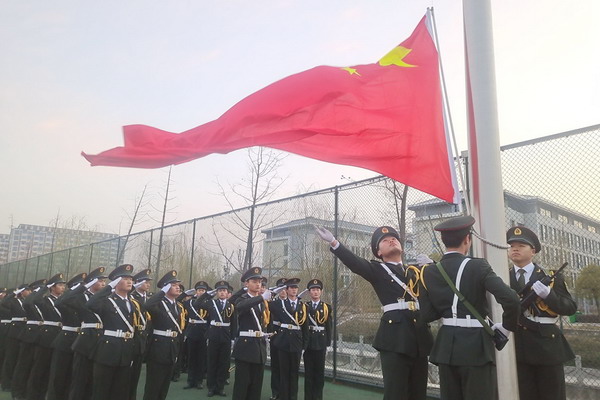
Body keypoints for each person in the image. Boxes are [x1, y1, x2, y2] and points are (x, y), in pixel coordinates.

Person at [316, 225, 432, 400]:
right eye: (385, 240)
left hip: (419, 337)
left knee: (418, 394)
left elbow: (440, 291)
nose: (391, 240)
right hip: (395, 339)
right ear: (379, 252)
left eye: (394, 238)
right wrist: (333, 242)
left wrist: (433, 268)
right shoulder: (377, 270)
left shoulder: (415, 271)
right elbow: (354, 262)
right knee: (396, 394)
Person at [417, 216, 520, 400]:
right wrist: (505, 328)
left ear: (443, 241)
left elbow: (427, 314)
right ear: (467, 239)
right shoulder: (478, 266)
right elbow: (511, 299)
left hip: (446, 348)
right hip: (476, 347)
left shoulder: (429, 271)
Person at [506, 226, 577, 400]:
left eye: (521, 245)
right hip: (517, 347)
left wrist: (549, 295)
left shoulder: (551, 277)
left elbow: (570, 307)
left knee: (552, 394)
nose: (515, 249)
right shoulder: (502, 277)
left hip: (547, 346)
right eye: (512, 246)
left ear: (533, 251)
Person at [87, 264, 139, 400]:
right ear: (116, 282)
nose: (129, 281)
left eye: (130, 279)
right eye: (125, 279)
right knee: (101, 391)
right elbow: (90, 304)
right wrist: (109, 287)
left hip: (126, 350)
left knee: (120, 392)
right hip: (108, 350)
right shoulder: (107, 301)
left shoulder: (132, 303)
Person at [142, 270, 186, 400]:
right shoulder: (159, 303)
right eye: (173, 285)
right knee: (153, 386)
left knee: (164, 386)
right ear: (166, 287)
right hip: (158, 348)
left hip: (172, 348)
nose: (178, 287)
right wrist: (162, 292)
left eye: (178, 284)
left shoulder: (178, 306)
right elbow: (147, 305)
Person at [64, 266, 107, 400]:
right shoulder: (80, 297)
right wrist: (83, 286)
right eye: (100, 281)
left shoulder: (105, 298)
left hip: (101, 339)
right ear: (92, 282)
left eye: (104, 281)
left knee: (95, 379)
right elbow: (64, 300)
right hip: (86, 339)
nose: (103, 284)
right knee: (80, 378)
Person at [231, 267, 270, 400]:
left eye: (259, 281)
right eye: (254, 281)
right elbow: (241, 306)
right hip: (245, 348)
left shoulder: (262, 302)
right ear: (246, 283)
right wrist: (261, 298)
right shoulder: (241, 299)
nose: (258, 284)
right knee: (242, 386)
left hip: (259, 348)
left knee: (256, 387)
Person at [47, 272, 87, 400]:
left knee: (72, 375)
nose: (62, 287)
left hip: (79, 339)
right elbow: (59, 303)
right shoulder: (64, 300)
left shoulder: (82, 300)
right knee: (59, 375)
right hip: (65, 339)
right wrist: (77, 289)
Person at [27, 272, 67, 400]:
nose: (63, 287)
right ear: (52, 287)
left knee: (53, 369)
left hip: (60, 334)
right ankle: (33, 395)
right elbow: (34, 300)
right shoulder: (45, 300)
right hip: (47, 335)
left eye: (63, 285)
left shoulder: (63, 300)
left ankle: (46, 394)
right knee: (40, 367)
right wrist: (45, 287)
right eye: (59, 285)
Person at [269, 277, 308, 400]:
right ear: (286, 289)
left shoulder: (302, 306)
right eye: (291, 288)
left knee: (294, 373)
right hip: (283, 341)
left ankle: (293, 397)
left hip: (296, 342)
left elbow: (305, 327)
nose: (294, 290)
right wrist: (274, 291)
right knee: (284, 372)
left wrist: (304, 345)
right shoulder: (280, 304)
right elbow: (267, 302)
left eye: (296, 287)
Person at [196, 280, 235, 397]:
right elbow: (198, 303)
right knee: (212, 362)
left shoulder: (231, 306)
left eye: (224, 290)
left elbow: (234, 323)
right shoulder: (211, 303)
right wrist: (208, 294)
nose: (222, 293)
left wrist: (233, 338)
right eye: (220, 291)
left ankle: (220, 387)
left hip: (226, 336)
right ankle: (211, 387)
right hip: (213, 335)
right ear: (216, 292)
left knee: (223, 363)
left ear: (227, 293)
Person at [11, 279, 46, 400]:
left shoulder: (42, 302)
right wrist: (36, 292)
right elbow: (27, 303)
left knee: (34, 366)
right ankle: (18, 391)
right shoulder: (28, 302)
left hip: (40, 335)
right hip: (29, 335)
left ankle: (30, 392)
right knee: (24, 365)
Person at [303, 279, 332, 400]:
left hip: (321, 343)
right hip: (308, 343)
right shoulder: (305, 306)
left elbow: (329, 326)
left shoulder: (326, 307)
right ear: (309, 292)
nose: (315, 292)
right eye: (313, 290)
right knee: (308, 374)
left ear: (321, 292)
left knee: (319, 374)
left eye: (318, 290)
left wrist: (328, 344)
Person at [1, 283, 32, 392]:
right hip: (14, 330)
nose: (30, 292)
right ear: (22, 291)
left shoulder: (26, 302)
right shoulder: (13, 301)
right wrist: (15, 292)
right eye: (27, 290)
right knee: (11, 357)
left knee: (19, 358)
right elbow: (4, 302)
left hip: (24, 330)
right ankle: (6, 383)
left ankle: (16, 381)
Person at [129, 269, 153, 400]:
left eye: (149, 282)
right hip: (133, 337)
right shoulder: (132, 297)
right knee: (128, 374)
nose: (148, 284)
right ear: (137, 283)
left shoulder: (148, 298)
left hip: (143, 338)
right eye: (145, 282)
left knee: (136, 373)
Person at [182, 280, 210, 390]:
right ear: (196, 292)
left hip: (203, 332)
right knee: (191, 357)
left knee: (201, 358)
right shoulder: (189, 302)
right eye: (199, 290)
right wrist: (185, 294)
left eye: (203, 290)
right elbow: (178, 300)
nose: (201, 292)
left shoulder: (208, 303)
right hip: (192, 331)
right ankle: (190, 380)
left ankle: (199, 381)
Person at [269, 277, 287, 400]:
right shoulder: (272, 303)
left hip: (288, 336)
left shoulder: (294, 303)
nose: (283, 291)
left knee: (286, 366)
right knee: (275, 365)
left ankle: (285, 392)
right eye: (280, 288)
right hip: (275, 334)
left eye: (285, 288)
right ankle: (275, 392)